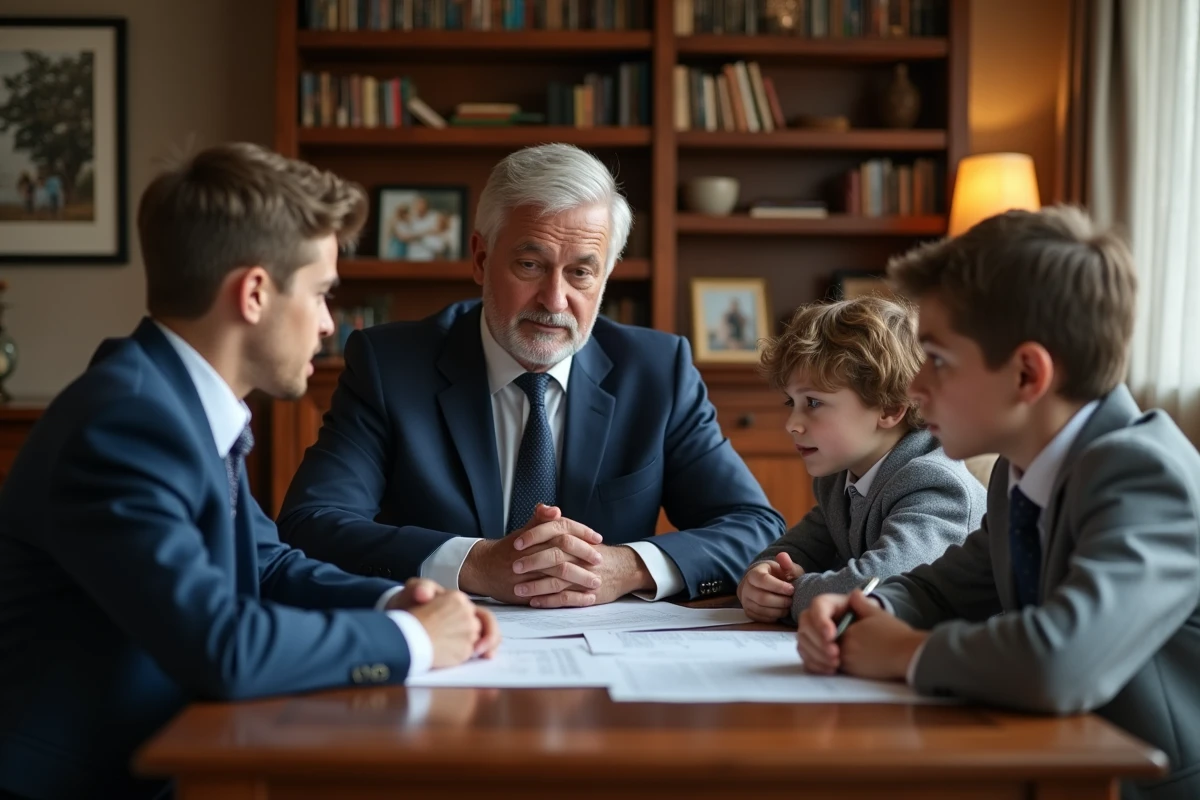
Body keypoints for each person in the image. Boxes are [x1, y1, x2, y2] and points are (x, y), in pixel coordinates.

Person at [0, 142, 500, 800]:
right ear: (255, 293)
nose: (328, 326)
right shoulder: (126, 425)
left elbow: (266, 565)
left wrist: (391, 601)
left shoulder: (173, 402)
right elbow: (223, 648)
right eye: (320, 294)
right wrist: (412, 640)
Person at [797, 207, 1200, 800]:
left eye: (938, 359)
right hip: (1049, 763)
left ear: (1027, 374)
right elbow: (942, 590)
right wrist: (862, 610)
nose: (915, 387)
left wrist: (906, 651)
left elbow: (1063, 661)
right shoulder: (1020, 470)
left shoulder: (1144, 474)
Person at [278, 143, 785, 608]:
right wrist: (473, 564)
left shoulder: (655, 372)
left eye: (581, 272)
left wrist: (627, 566)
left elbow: (756, 527)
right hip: (449, 642)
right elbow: (310, 525)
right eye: (529, 264)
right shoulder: (390, 366)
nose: (554, 300)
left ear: (606, 276)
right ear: (481, 259)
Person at [737, 296, 984, 623]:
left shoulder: (935, 485)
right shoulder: (839, 480)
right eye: (790, 403)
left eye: (813, 403)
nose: (792, 424)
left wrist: (790, 595)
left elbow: (876, 588)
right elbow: (797, 550)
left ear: (889, 409)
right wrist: (760, 579)